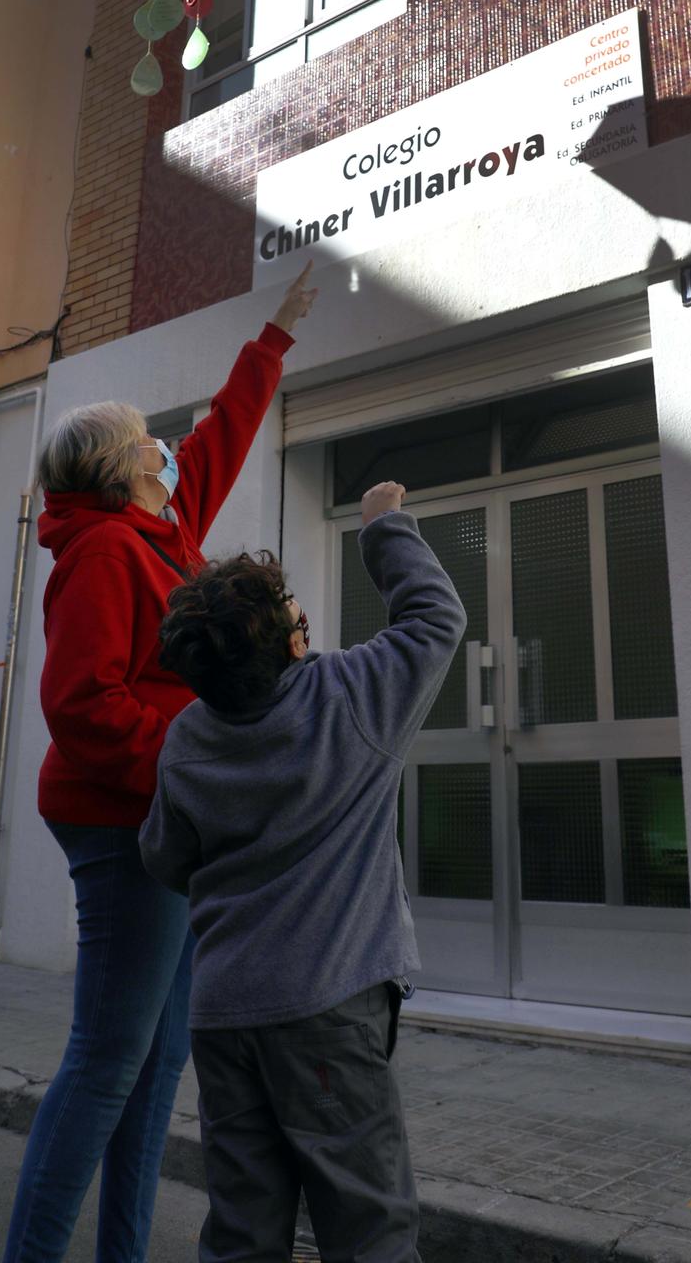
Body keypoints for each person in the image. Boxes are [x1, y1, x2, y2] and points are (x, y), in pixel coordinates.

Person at [1, 263, 318, 1263]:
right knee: (107, 1059)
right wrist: (189, 768)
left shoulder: (160, 533)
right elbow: (83, 706)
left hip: (164, 820)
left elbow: (220, 439)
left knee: (156, 1057)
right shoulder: (100, 551)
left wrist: (274, 334)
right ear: (120, 467)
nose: (168, 449)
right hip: (120, 817)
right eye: (150, 440)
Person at [140, 481, 466, 1263]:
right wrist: (384, 525)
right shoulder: (348, 696)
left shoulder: (187, 737)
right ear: (291, 645)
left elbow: (164, 857)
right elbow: (434, 618)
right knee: (366, 1223)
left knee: (244, 1224)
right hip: (326, 1012)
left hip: (222, 1014)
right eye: (298, 622)